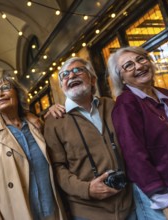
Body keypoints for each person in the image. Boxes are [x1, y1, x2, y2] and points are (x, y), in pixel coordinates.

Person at [44, 57, 134, 219]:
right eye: (64, 75)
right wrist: (86, 189)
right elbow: (57, 167)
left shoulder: (111, 106)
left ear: (92, 79)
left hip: (129, 204)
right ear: (62, 87)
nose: (71, 76)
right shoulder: (54, 120)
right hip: (88, 212)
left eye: (78, 70)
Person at [0, 75, 66, 220]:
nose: (0, 94)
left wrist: (53, 111)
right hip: (16, 214)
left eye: (5, 88)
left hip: (51, 211)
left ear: (18, 93)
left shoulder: (36, 125)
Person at [108, 46, 168, 220]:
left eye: (141, 59)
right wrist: (164, 200)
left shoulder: (166, 95)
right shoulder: (126, 105)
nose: (139, 66)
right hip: (163, 193)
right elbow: (134, 155)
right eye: (128, 65)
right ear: (122, 78)